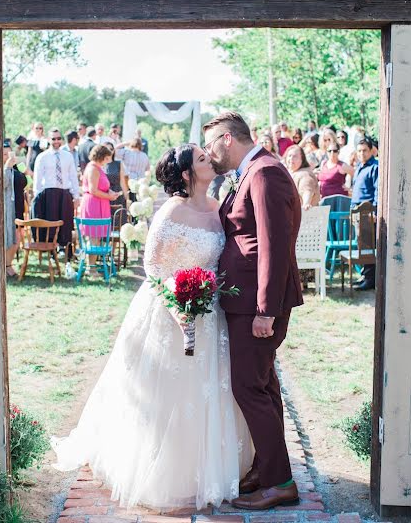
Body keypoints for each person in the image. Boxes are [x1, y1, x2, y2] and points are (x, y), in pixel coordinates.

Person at [52, 143, 252, 510]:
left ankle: (212, 462)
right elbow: (153, 266)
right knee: (170, 390)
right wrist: (177, 305)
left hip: (210, 311)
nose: (211, 159)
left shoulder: (218, 206)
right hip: (171, 309)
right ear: (189, 174)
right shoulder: (172, 212)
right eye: (203, 158)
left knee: (211, 388)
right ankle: (166, 468)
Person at [204, 111, 303, 510]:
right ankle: (268, 467)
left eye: (211, 144)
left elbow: (273, 246)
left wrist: (266, 309)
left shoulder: (264, 173)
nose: (209, 153)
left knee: (249, 387)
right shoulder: (252, 171)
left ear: (227, 139)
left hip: (255, 305)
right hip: (246, 301)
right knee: (263, 386)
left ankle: (279, 482)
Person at [31, 128, 80, 247]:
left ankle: (65, 249)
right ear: (49, 140)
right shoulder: (42, 157)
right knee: (51, 225)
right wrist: (37, 197)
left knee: (66, 224)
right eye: (53, 139)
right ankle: (51, 249)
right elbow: (37, 180)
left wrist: (76, 196)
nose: (56, 141)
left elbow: (73, 177)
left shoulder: (67, 156)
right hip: (48, 195)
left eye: (59, 138)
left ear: (62, 140)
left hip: (64, 193)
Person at [349, 137, 379, 291]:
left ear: (371, 150)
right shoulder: (360, 166)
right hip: (357, 212)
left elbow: (377, 191)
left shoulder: (375, 167)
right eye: (359, 151)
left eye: (365, 150)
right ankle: (364, 275)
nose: (362, 153)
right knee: (361, 243)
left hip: (367, 212)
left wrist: (374, 211)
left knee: (368, 246)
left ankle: (370, 279)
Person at [79, 144, 121, 238]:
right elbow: (93, 190)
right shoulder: (93, 169)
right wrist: (109, 197)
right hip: (94, 204)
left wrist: (110, 191)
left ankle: (97, 253)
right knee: (94, 237)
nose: (107, 162)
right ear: (101, 157)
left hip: (100, 203)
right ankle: (93, 253)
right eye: (106, 159)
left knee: (98, 237)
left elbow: (102, 185)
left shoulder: (98, 168)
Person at [2, 139, 28, 277]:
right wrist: (6, 166)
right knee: (8, 236)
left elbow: (27, 179)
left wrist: (20, 164)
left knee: (17, 237)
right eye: (4, 155)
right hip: (7, 207)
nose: (8, 157)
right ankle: (5, 266)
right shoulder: (0, 170)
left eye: (9, 154)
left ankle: (9, 263)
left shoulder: (16, 167)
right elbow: (4, 184)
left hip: (18, 206)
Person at [102, 141, 128, 217]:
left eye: (111, 149)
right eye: (107, 149)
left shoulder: (118, 163)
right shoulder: (101, 165)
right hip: (105, 195)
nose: (109, 151)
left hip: (118, 194)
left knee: (120, 220)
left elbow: (122, 182)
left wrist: (127, 197)